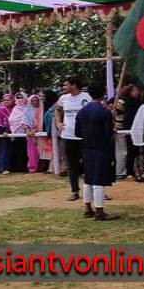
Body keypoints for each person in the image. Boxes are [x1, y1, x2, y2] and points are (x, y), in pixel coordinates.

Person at [75, 83, 119, 221]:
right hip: (101, 149)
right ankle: (99, 212)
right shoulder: (105, 112)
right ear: (103, 95)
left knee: (88, 179)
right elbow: (107, 134)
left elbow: (77, 133)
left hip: (87, 148)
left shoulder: (82, 111)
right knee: (99, 180)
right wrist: (113, 132)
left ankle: (87, 208)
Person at [55, 77, 92, 201]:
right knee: (72, 165)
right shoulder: (63, 98)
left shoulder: (87, 97)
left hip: (85, 136)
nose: (63, 87)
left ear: (74, 85)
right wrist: (58, 123)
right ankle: (74, 191)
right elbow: (57, 110)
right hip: (68, 136)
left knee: (89, 163)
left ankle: (97, 189)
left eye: (66, 85)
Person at [8, 92, 30, 172]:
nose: (20, 99)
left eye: (22, 97)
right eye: (18, 98)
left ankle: (22, 167)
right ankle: (14, 167)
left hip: (25, 133)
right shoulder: (15, 109)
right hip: (14, 132)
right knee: (14, 150)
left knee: (23, 151)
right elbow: (11, 120)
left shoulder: (27, 108)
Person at [23, 94, 43, 173]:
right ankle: (32, 167)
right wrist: (28, 130)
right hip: (30, 133)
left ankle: (42, 166)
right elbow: (25, 122)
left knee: (41, 150)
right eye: (33, 101)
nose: (35, 102)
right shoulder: (26, 110)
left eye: (36, 100)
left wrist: (37, 129)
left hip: (40, 131)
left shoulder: (41, 109)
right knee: (32, 151)